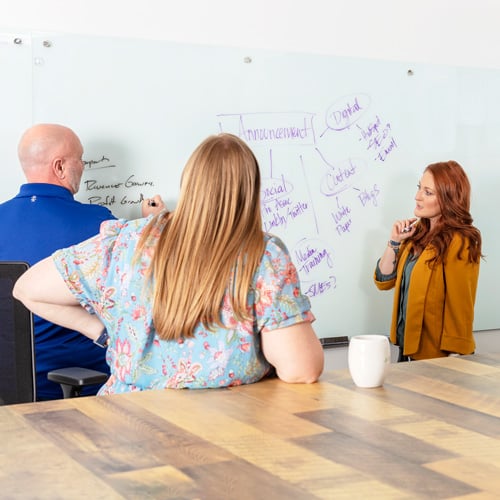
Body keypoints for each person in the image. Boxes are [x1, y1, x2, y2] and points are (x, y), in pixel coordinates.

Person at [13, 133, 324, 394]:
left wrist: (103, 331)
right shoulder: (263, 254)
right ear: (251, 191)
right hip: (224, 428)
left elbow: (27, 289)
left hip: (124, 430)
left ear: (188, 184)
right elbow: (301, 370)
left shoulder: (124, 241)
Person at [0, 123, 164, 399]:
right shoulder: (97, 224)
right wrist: (153, 224)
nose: (84, 167)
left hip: (8, 387)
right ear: (60, 167)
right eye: (81, 159)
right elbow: (141, 278)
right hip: (79, 382)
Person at [374, 160, 482, 361]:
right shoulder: (417, 233)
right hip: (406, 351)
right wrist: (394, 242)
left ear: (448, 198)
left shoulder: (460, 239)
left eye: (428, 192)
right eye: (419, 188)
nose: (417, 197)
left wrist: (457, 358)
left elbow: (460, 304)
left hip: (437, 356)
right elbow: (384, 280)